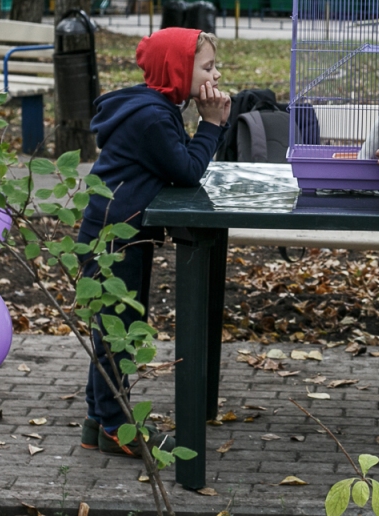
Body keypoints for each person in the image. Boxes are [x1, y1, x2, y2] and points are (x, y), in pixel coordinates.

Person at [77, 27, 230, 457]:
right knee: (115, 332)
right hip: (114, 238)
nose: (215, 75)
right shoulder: (153, 116)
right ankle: (116, 426)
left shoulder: (157, 106)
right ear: (178, 69)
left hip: (123, 233)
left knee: (113, 328)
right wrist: (213, 125)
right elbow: (186, 169)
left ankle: (98, 420)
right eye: (207, 66)